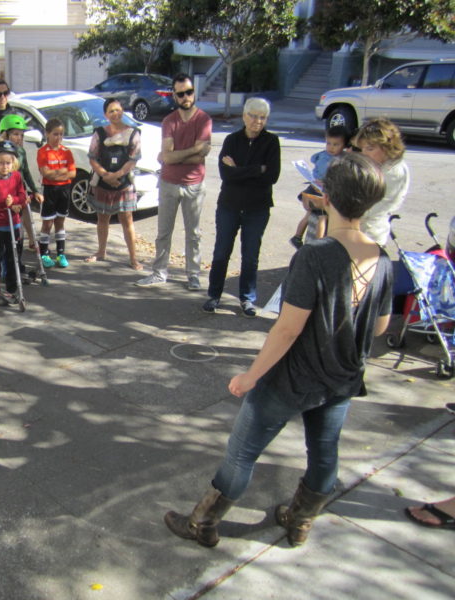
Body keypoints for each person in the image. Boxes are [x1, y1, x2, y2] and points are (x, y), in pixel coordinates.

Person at [164, 152, 393, 549]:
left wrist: (250, 376)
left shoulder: (315, 254)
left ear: (328, 195)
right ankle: (300, 521)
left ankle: (203, 523)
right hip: (342, 377)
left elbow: (287, 329)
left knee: (242, 452)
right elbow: (379, 326)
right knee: (324, 453)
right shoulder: (382, 258)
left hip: (291, 379)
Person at [203, 97, 280, 317]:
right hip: (229, 205)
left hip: (257, 208)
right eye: (254, 116)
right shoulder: (232, 140)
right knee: (221, 252)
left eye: (262, 117)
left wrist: (240, 170)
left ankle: (247, 299)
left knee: (250, 255)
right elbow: (226, 174)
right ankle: (214, 294)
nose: (258, 121)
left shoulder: (271, 142)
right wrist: (258, 169)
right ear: (244, 116)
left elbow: (272, 176)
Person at [135, 73, 212, 289]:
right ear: (175, 96)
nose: (186, 96)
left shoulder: (204, 119)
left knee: (193, 234)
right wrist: (194, 151)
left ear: (193, 92)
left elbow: (195, 156)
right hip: (169, 183)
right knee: (163, 233)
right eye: (181, 94)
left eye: (189, 92)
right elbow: (168, 156)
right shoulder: (169, 121)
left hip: (194, 185)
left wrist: (175, 155)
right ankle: (159, 272)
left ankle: (193, 275)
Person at [85, 98, 143, 270]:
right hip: (103, 183)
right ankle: (101, 252)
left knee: (127, 220)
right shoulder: (100, 133)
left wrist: (117, 175)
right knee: (102, 218)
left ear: (123, 110)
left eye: (118, 109)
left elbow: (133, 158)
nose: (115, 113)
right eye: (111, 111)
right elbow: (93, 157)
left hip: (124, 183)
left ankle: (134, 258)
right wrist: (105, 175)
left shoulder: (133, 132)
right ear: (106, 114)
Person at [350, 118, 410, 246]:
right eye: (362, 149)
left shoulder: (394, 173)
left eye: (370, 148)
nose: (364, 154)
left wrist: (339, 207)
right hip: (357, 232)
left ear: (386, 147)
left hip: (369, 237)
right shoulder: (379, 164)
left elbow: (375, 208)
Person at [290, 126, 349, 249]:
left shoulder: (321, 155)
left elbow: (313, 159)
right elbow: (326, 174)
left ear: (344, 145)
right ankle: (318, 244)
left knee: (310, 214)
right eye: (328, 143)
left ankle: (297, 236)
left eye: (336, 144)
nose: (331, 147)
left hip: (312, 189)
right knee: (323, 217)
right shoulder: (331, 159)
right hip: (321, 191)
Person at [0, 140, 28, 305]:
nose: (4, 166)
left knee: (13, 257)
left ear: (13, 163)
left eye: (8, 163)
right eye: (1, 163)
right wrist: (6, 203)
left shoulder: (16, 177)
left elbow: (23, 196)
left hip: (14, 224)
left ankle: (12, 289)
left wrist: (16, 201)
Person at [0, 113, 43, 250]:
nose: (19, 138)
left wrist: (34, 190)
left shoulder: (21, 152)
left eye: (21, 135)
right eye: (15, 134)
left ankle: (31, 240)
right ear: (6, 135)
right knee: (9, 219)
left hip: (20, 189)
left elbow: (26, 172)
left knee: (26, 215)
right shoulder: (0, 152)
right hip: (6, 191)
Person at [37, 118, 76, 268]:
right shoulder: (42, 152)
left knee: (60, 222)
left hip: (64, 190)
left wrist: (59, 173)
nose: (58, 138)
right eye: (55, 134)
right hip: (49, 190)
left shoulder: (67, 152)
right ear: (47, 134)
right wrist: (63, 171)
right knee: (47, 223)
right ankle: (44, 253)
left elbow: (73, 174)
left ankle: (61, 253)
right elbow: (47, 174)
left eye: (61, 134)